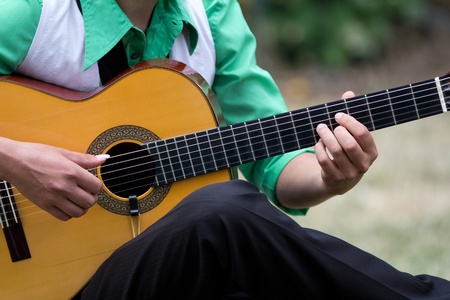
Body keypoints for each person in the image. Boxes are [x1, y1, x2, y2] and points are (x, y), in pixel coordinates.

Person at [0, 0, 449, 299]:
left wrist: (331, 175)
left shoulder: (210, 12)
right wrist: (15, 160)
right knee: (221, 212)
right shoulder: (29, 15)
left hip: (155, 275)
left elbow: (271, 159)